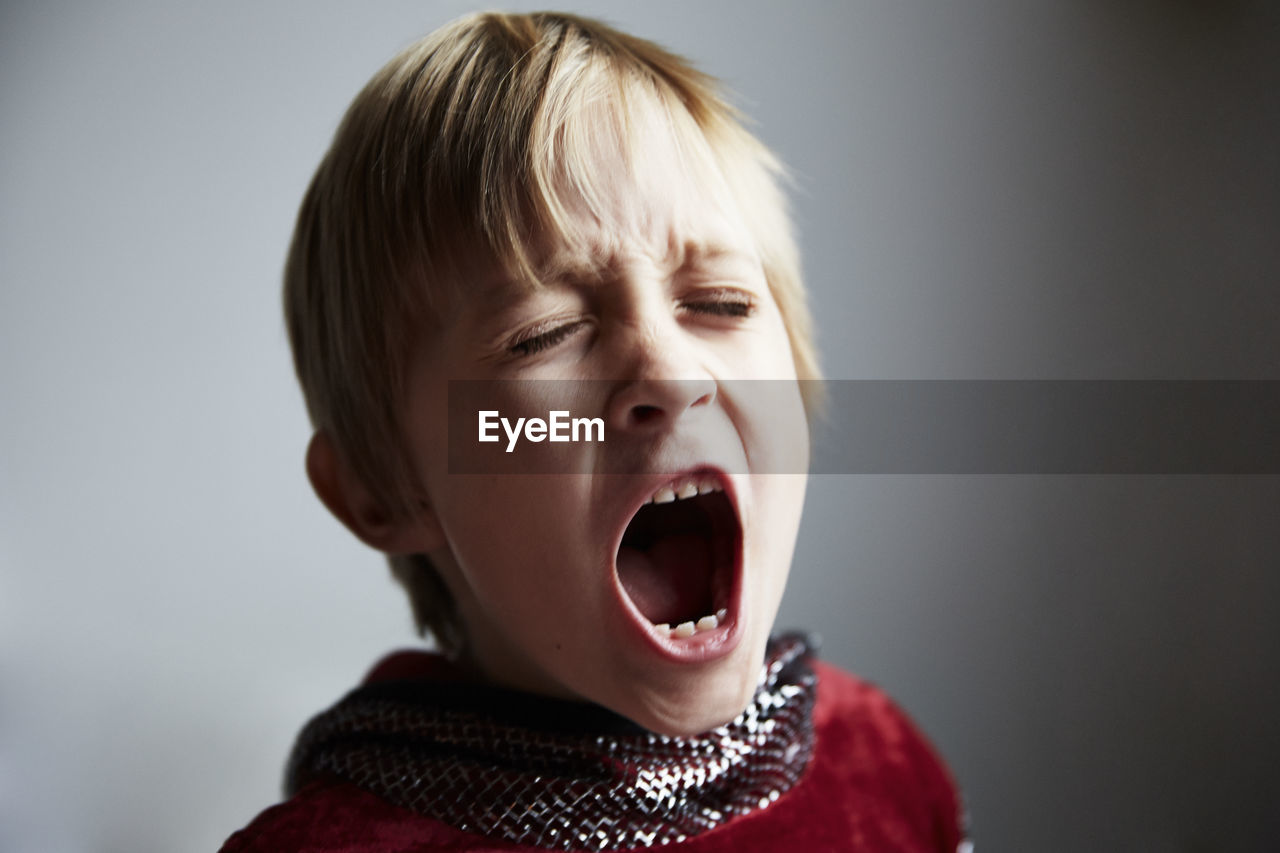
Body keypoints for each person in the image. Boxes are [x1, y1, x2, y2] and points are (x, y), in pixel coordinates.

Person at [220, 11, 966, 851]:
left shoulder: (888, 763)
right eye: (543, 335)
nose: (673, 375)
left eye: (720, 303)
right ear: (384, 487)